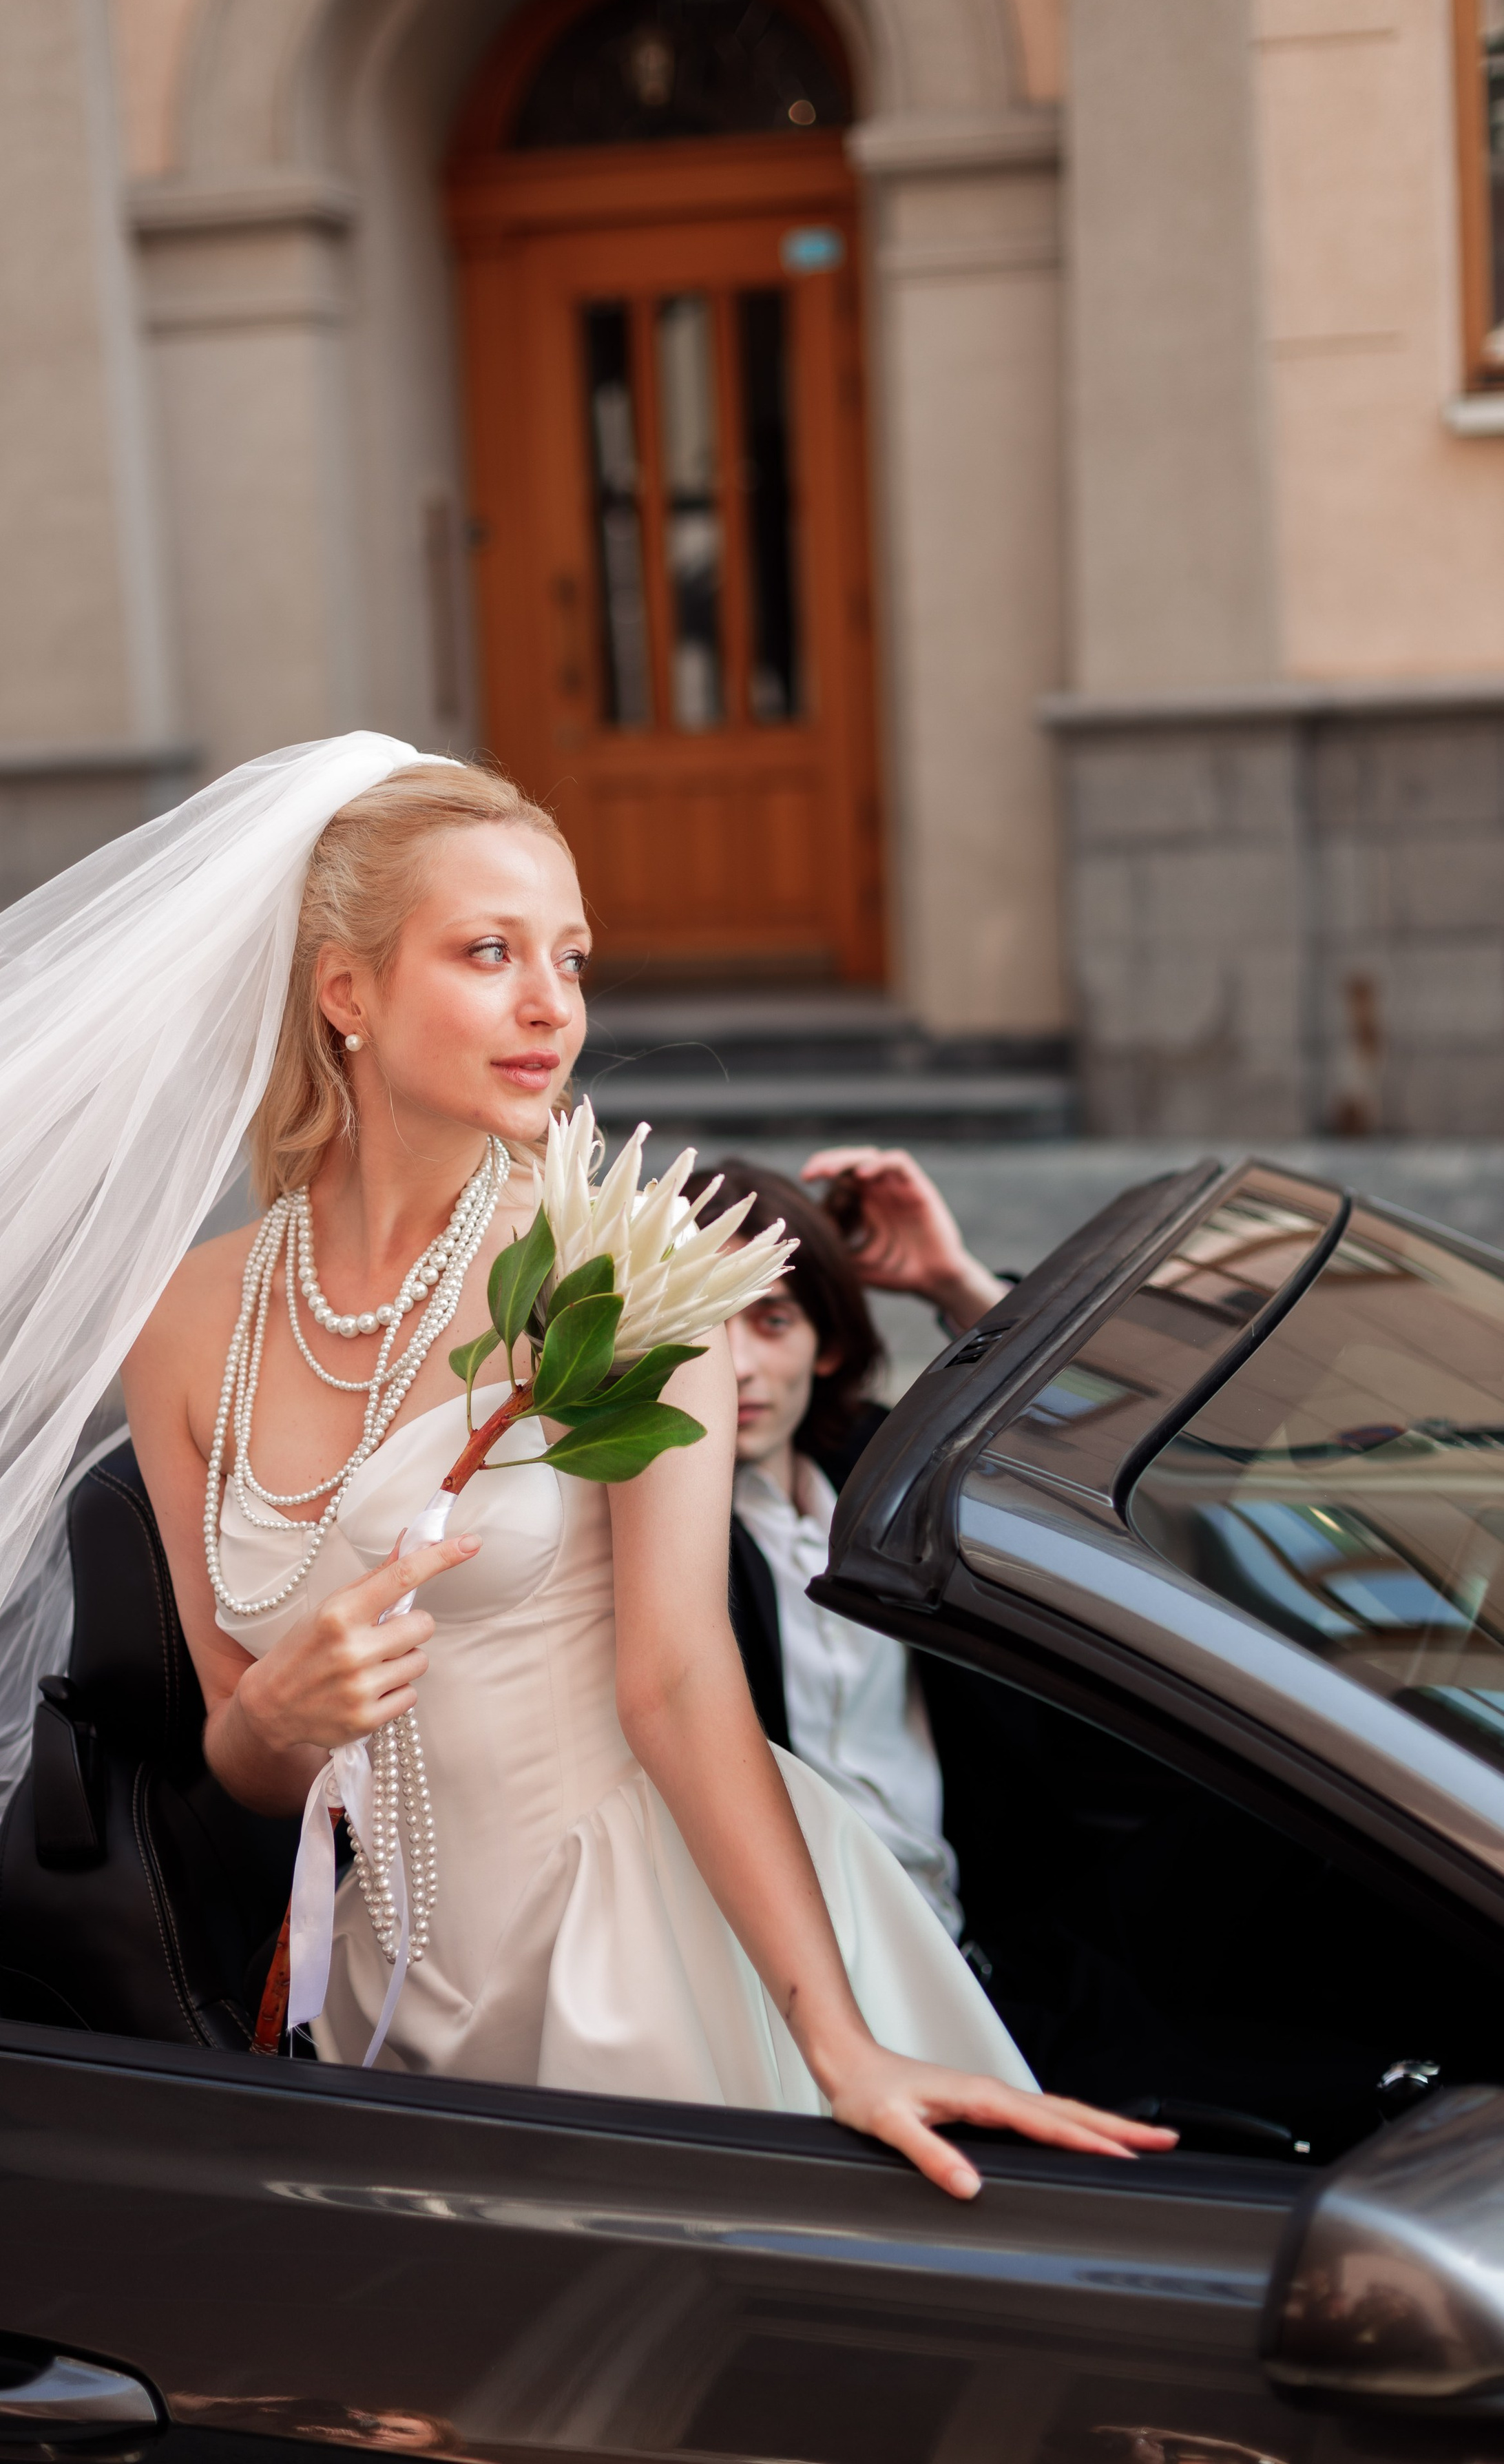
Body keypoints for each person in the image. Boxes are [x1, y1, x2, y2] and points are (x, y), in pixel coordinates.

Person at [120, 753, 1172, 2200]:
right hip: (384, 1987)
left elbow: (676, 1682)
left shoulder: (623, 1269)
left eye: (569, 957)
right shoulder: (185, 1322)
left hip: (646, 1952)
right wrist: (283, 1717)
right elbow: (245, 1744)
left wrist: (838, 2041)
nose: (552, 1005)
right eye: (487, 954)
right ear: (343, 991)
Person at [696, 1160, 981, 1934]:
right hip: (809, 1950)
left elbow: (1057, 1447)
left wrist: (951, 1282)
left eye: (772, 1319)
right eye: (701, 1321)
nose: (737, 1365)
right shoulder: (664, 1547)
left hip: (970, 1916)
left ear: (826, 1345)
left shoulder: (874, 1466)